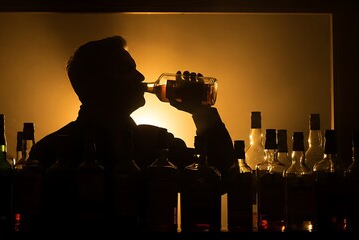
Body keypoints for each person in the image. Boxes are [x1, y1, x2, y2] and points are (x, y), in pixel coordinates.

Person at [30, 35, 235, 231]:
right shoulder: (53, 151)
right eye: (126, 70)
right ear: (98, 84)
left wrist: (202, 111)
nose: (141, 77)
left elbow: (221, 178)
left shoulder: (156, 141)